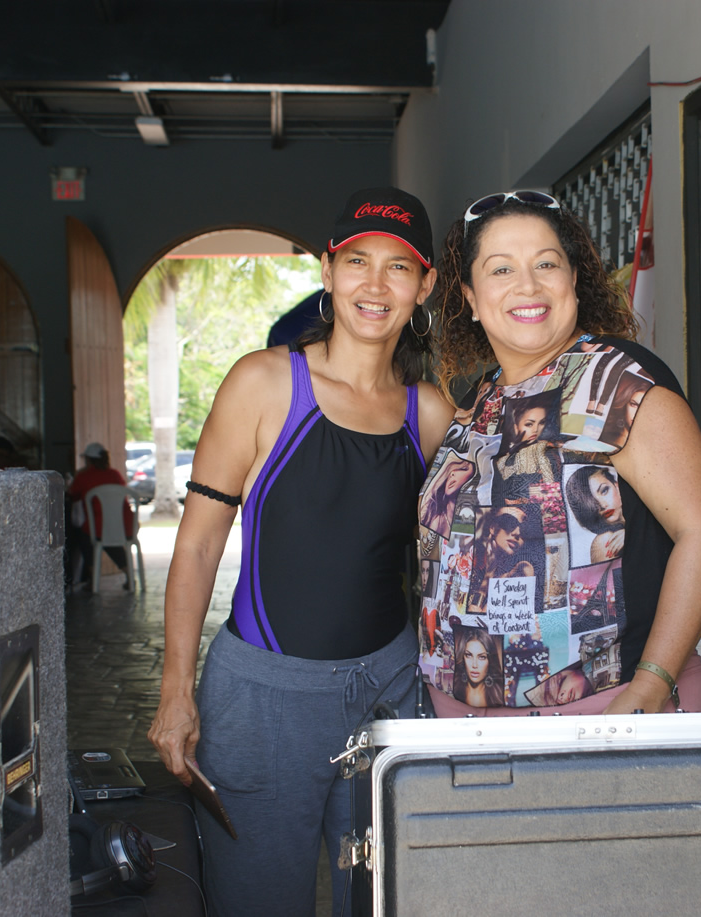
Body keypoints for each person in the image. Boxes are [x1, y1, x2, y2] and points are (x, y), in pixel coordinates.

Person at [146, 187, 454, 917]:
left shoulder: (430, 412)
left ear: (425, 286)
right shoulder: (263, 384)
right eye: (357, 262)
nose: (375, 284)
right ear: (328, 270)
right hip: (263, 699)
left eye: (399, 267)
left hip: (389, 692)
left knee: (384, 898)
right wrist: (176, 689)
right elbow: (197, 547)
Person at [416, 189, 701, 718]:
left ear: (574, 279)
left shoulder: (617, 381)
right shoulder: (478, 401)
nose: (528, 285)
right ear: (470, 296)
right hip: (461, 714)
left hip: (600, 711)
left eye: (546, 264)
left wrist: (650, 686)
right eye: (501, 269)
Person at [66, 441, 137, 590]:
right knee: (112, 541)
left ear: (88, 460)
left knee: (83, 536)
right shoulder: (115, 474)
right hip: (123, 525)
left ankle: (93, 578)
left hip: (97, 527)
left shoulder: (84, 477)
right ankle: (129, 574)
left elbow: (73, 494)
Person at [451, 626, 506, 707]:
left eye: (482, 657)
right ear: (463, 657)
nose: (474, 665)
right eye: (469, 655)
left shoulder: (500, 695)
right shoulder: (453, 689)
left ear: (490, 660)